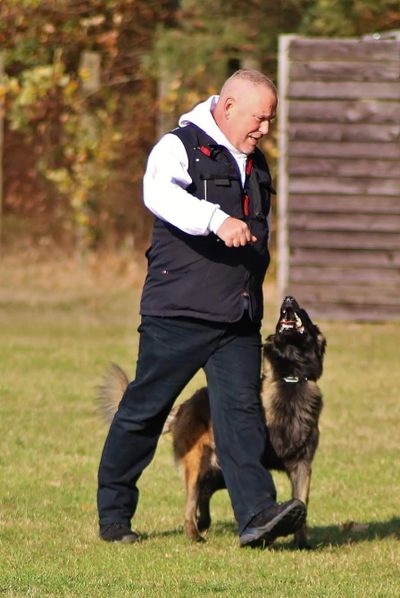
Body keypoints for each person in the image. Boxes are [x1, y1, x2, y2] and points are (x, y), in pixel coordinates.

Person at [97, 69, 306, 547]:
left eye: (270, 120)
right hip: (180, 311)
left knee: (241, 416)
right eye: (259, 119)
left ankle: (256, 517)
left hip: (238, 315)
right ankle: (114, 515)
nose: (265, 130)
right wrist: (215, 218)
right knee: (145, 410)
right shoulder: (180, 146)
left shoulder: (256, 162)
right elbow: (158, 194)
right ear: (228, 107)